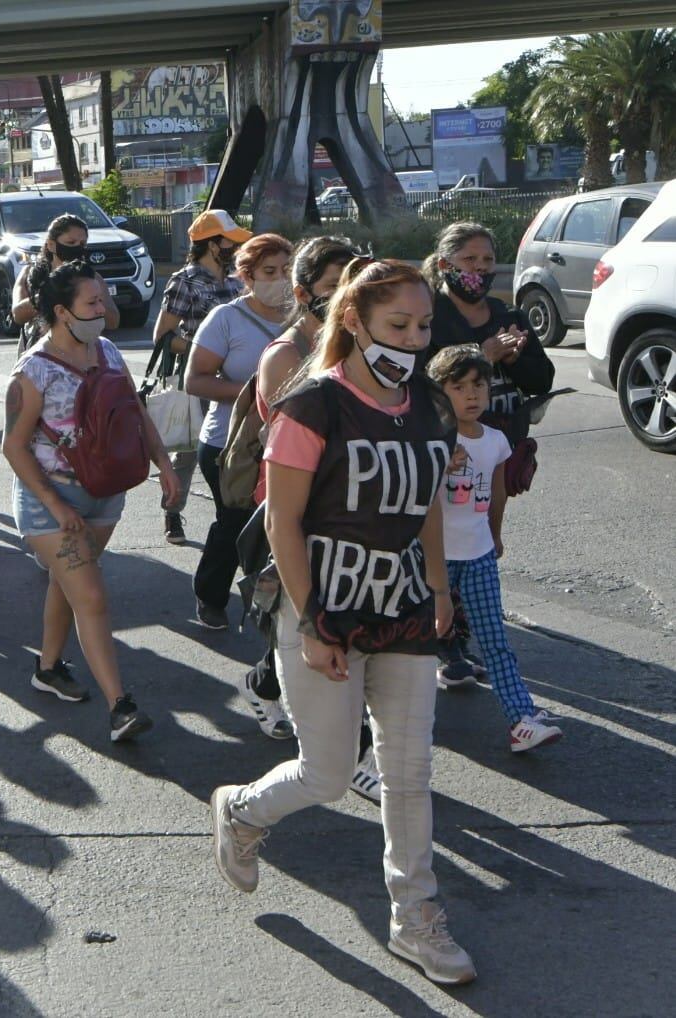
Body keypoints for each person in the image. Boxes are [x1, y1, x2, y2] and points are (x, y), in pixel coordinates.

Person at [211, 258, 477, 987]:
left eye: (424, 326)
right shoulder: (311, 406)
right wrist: (315, 622)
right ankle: (241, 811)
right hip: (324, 607)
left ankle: (415, 917)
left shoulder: (428, 405)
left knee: (408, 770)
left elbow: (424, 500)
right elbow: (284, 523)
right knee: (328, 773)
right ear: (354, 320)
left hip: (405, 608)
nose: (414, 340)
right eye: (399, 325)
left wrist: (438, 582)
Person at [4, 260, 180, 742]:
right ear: (62, 311)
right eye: (93, 303)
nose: (103, 309)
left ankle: (47, 668)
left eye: (102, 300)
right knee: (93, 595)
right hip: (50, 501)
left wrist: (163, 463)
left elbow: (135, 410)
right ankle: (120, 706)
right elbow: (13, 447)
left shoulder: (106, 350)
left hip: (104, 494)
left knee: (70, 585)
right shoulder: (33, 370)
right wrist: (56, 506)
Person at [238, 236, 360, 742]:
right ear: (303, 290)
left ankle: (264, 686)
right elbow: (299, 443)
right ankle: (348, 753)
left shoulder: (364, 346)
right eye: (333, 286)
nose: (345, 296)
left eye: (351, 285)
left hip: (352, 509)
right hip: (296, 514)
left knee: (331, 623)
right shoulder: (285, 355)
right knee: (302, 618)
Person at [427, 344, 563, 751]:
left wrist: (496, 534)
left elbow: (498, 494)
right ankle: (396, 720)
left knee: (494, 640)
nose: (472, 395)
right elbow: (421, 505)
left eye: (479, 385)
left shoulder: (497, 441)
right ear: (440, 394)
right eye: (459, 387)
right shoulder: (433, 443)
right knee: (412, 640)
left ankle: (521, 718)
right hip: (434, 559)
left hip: (479, 555)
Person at [186, 232, 293, 631]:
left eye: (285, 270)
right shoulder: (226, 318)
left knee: (283, 525)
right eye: (269, 271)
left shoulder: (304, 316)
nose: (279, 278)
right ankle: (211, 595)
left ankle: (274, 608)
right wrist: (258, 392)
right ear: (246, 275)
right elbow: (195, 380)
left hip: (289, 440)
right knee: (237, 523)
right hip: (230, 443)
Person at [151, 209, 250, 544]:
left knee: (238, 446)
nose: (235, 247)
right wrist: (203, 349)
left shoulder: (236, 280)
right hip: (201, 378)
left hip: (236, 378)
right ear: (210, 244)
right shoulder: (185, 280)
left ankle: (232, 516)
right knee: (190, 452)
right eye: (229, 241)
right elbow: (162, 336)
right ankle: (172, 512)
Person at [422, 221, 555, 425]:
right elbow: (416, 390)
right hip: (454, 448)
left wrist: (515, 361)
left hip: (510, 446)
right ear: (444, 265)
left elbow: (541, 384)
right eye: (470, 259)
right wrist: (482, 357)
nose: (481, 266)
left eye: (488, 259)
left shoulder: (510, 317)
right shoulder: (426, 319)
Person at [11, 214, 120, 349]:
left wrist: (90, 303)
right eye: (70, 243)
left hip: (82, 352)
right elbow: (17, 315)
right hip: (39, 350)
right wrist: (51, 295)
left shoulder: (92, 278)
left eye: (82, 244)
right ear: (51, 245)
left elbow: (113, 321)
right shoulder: (30, 274)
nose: (77, 248)